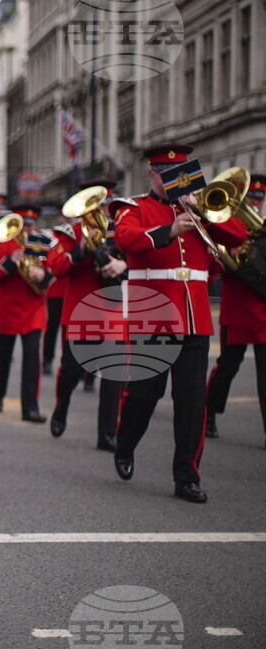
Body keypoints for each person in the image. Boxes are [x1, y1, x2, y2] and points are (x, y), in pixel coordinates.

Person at [112, 144, 247, 503]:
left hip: (195, 316)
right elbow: (125, 239)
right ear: (152, 175)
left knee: (191, 401)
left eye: (183, 176)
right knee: (145, 393)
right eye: (167, 176)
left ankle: (186, 476)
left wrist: (204, 208)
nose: (176, 183)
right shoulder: (134, 207)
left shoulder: (199, 210)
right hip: (154, 315)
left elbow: (238, 236)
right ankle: (125, 444)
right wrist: (169, 229)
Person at [46, 180, 127, 451]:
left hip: (113, 311)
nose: (100, 209)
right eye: (96, 204)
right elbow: (55, 268)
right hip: (81, 312)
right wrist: (79, 250)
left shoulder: (119, 230)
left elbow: (137, 260)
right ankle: (62, 406)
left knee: (114, 374)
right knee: (71, 371)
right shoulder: (69, 233)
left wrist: (120, 264)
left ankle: (107, 433)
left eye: (103, 203)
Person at [205, 172, 265, 446]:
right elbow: (216, 267)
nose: (254, 204)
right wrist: (231, 255)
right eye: (251, 198)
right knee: (228, 367)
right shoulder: (227, 230)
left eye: (258, 200)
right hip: (237, 307)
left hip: (262, 309)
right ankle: (209, 413)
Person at [0, 204, 54, 422]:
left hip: (33, 308)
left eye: (31, 225)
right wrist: (10, 262)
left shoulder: (40, 242)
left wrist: (41, 275)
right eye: (23, 224)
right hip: (7, 307)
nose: (27, 230)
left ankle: (30, 407)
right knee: (2, 357)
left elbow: (52, 270)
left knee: (32, 360)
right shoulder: (2, 243)